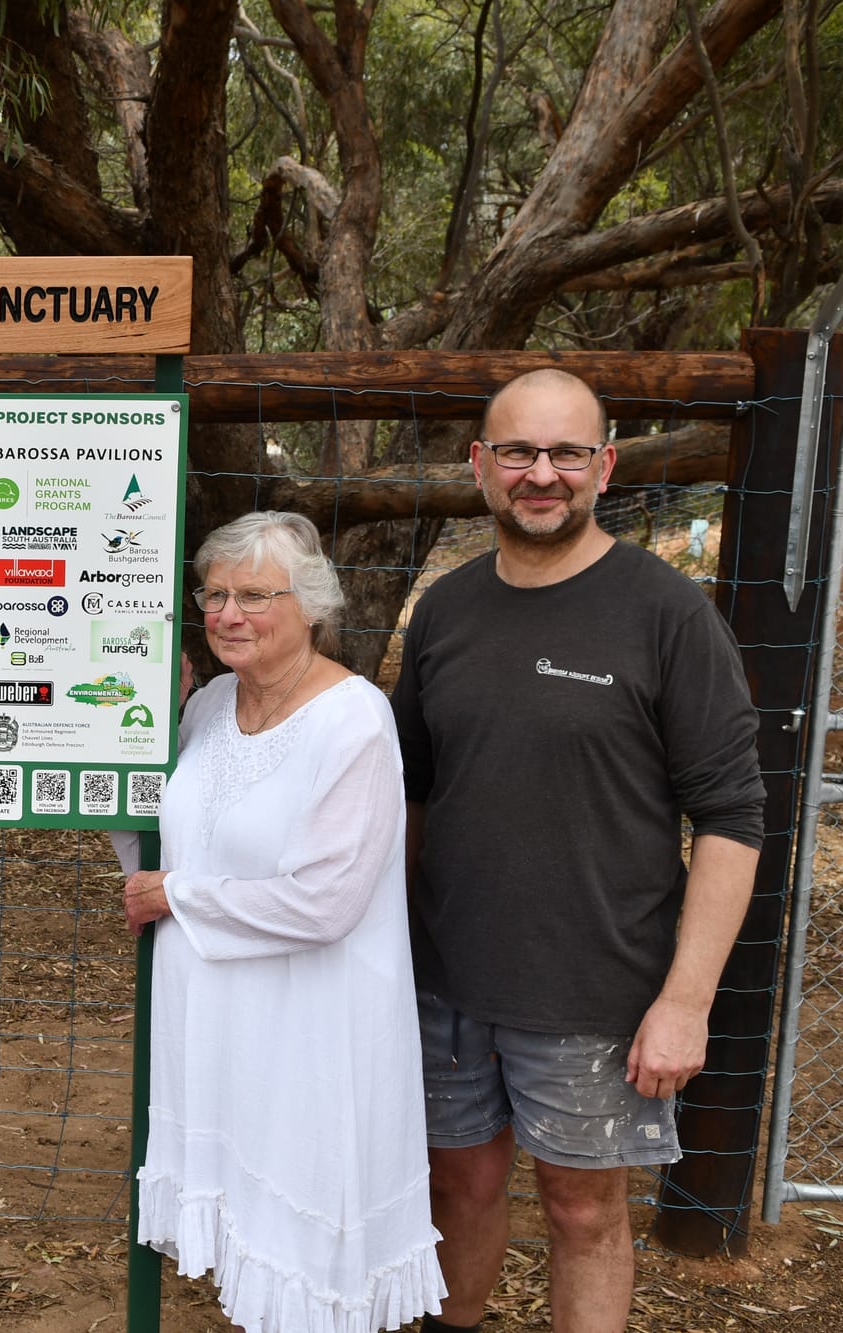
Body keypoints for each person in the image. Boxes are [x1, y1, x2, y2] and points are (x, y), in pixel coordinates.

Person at [393, 368, 764, 1333]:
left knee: (583, 1208)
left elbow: (731, 815)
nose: (541, 474)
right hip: (447, 977)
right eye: (518, 451)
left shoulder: (667, 612)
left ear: (605, 465)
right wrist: (388, 952)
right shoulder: (445, 610)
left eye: (566, 452)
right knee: (457, 1183)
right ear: (480, 466)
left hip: (597, 986)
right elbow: (413, 795)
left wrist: (685, 1003)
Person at [120, 511, 444, 1332]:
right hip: (223, 1019)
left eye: (254, 596)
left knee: (301, 1240)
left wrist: (176, 896)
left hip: (309, 1023)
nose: (228, 614)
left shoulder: (355, 719)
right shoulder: (211, 706)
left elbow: (325, 899)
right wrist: (108, 751)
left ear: (310, 605)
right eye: (215, 594)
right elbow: (165, 834)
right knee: (245, 1223)